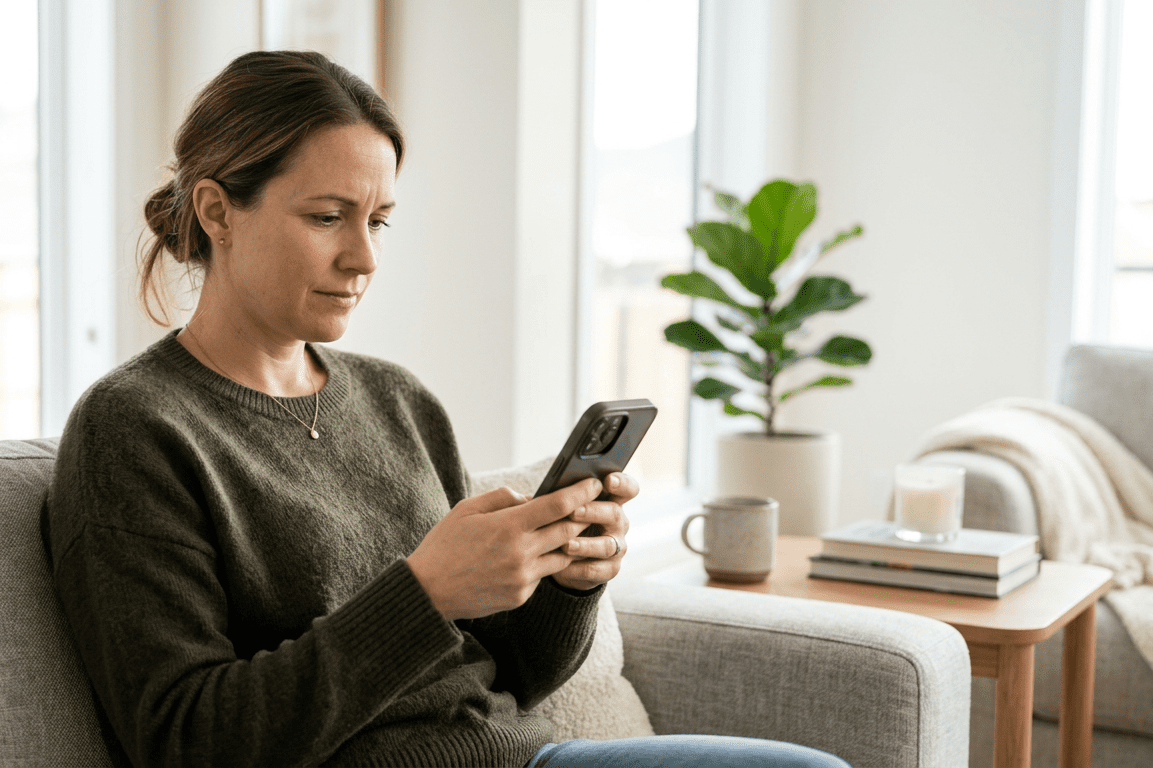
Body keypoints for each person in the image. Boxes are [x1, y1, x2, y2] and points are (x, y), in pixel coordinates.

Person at [45, 50, 850, 768]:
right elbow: (185, 739)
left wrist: (569, 581)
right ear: (218, 211)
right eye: (327, 217)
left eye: (379, 220)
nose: (362, 258)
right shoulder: (135, 429)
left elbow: (513, 674)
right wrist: (422, 595)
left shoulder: (397, 399)